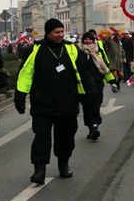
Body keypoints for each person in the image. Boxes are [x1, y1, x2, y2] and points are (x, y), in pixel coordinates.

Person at [14, 18, 96, 184]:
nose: (60, 35)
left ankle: (63, 164)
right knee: (41, 135)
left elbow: (83, 71)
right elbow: (25, 74)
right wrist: (20, 96)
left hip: (68, 102)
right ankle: (39, 169)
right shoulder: (36, 50)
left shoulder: (71, 49)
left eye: (61, 32)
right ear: (48, 33)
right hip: (43, 102)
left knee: (65, 136)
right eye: (57, 32)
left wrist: (90, 92)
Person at [79, 31, 115, 140]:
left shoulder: (98, 51)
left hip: (97, 82)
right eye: (86, 39)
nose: (88, 41)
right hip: (84, 83)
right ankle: (90, 127)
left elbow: (104, 65)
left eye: (90, 39)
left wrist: (112, 80)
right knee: (87, 106)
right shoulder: (78, 51)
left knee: (96, 104)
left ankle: (95, 126)